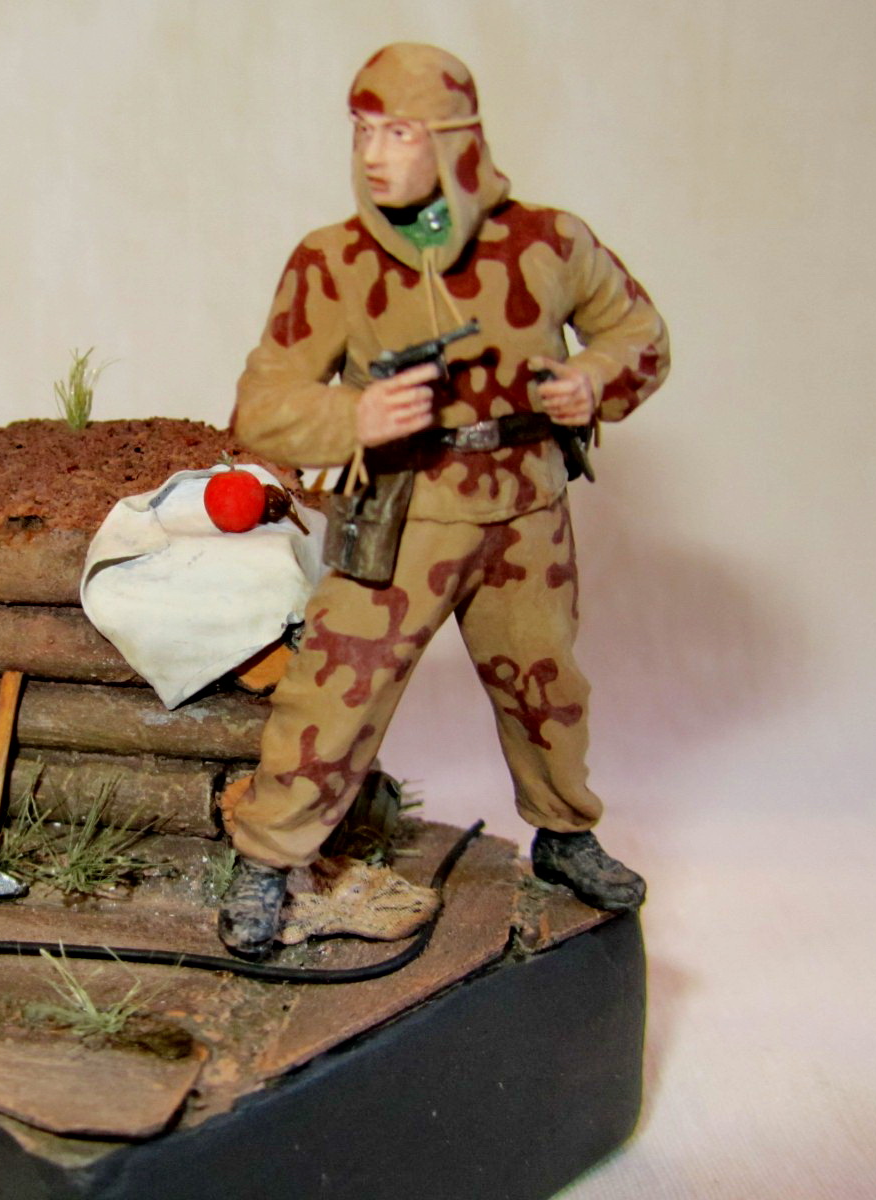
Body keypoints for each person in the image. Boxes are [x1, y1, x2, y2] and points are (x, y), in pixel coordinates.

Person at [218, 43, 670, 959]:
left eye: (398, 133)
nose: (373, 154)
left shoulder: (547, 243)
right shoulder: (334, 262)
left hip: (525, 508)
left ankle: (565, 832)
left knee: (545, 685)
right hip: (403, 514)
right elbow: (260, 408)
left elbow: (638, 332)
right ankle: (268, 857)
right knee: (336, 688)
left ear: (455, 141)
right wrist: (354, 415)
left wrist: (590, 380)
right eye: (362, 132)